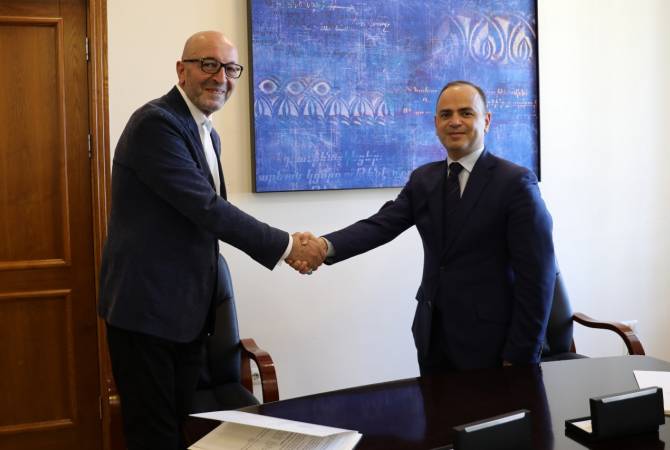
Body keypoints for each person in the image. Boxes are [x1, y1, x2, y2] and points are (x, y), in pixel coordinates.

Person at [98, 31, 324, 450]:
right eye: (209, 64)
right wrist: (288, 246)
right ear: (181, 70)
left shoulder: (206, 132)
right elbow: (207, 208)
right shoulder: (156, 124)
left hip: (188, 314)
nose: (221, 77)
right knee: (154, 436)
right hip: (145, 313)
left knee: (180, 428)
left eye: (231, 68)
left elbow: (209, 218)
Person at [308, 81, 556, 374]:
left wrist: (520, 353)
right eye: (446, 114)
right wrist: (323, 247)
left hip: (493, 344)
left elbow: (538, 276)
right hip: (433, 338)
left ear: (486, 120)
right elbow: (380, 226)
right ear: (436, 123)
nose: (455, 121)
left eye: (466, 113)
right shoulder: (423, 180)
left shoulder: (515, 183)